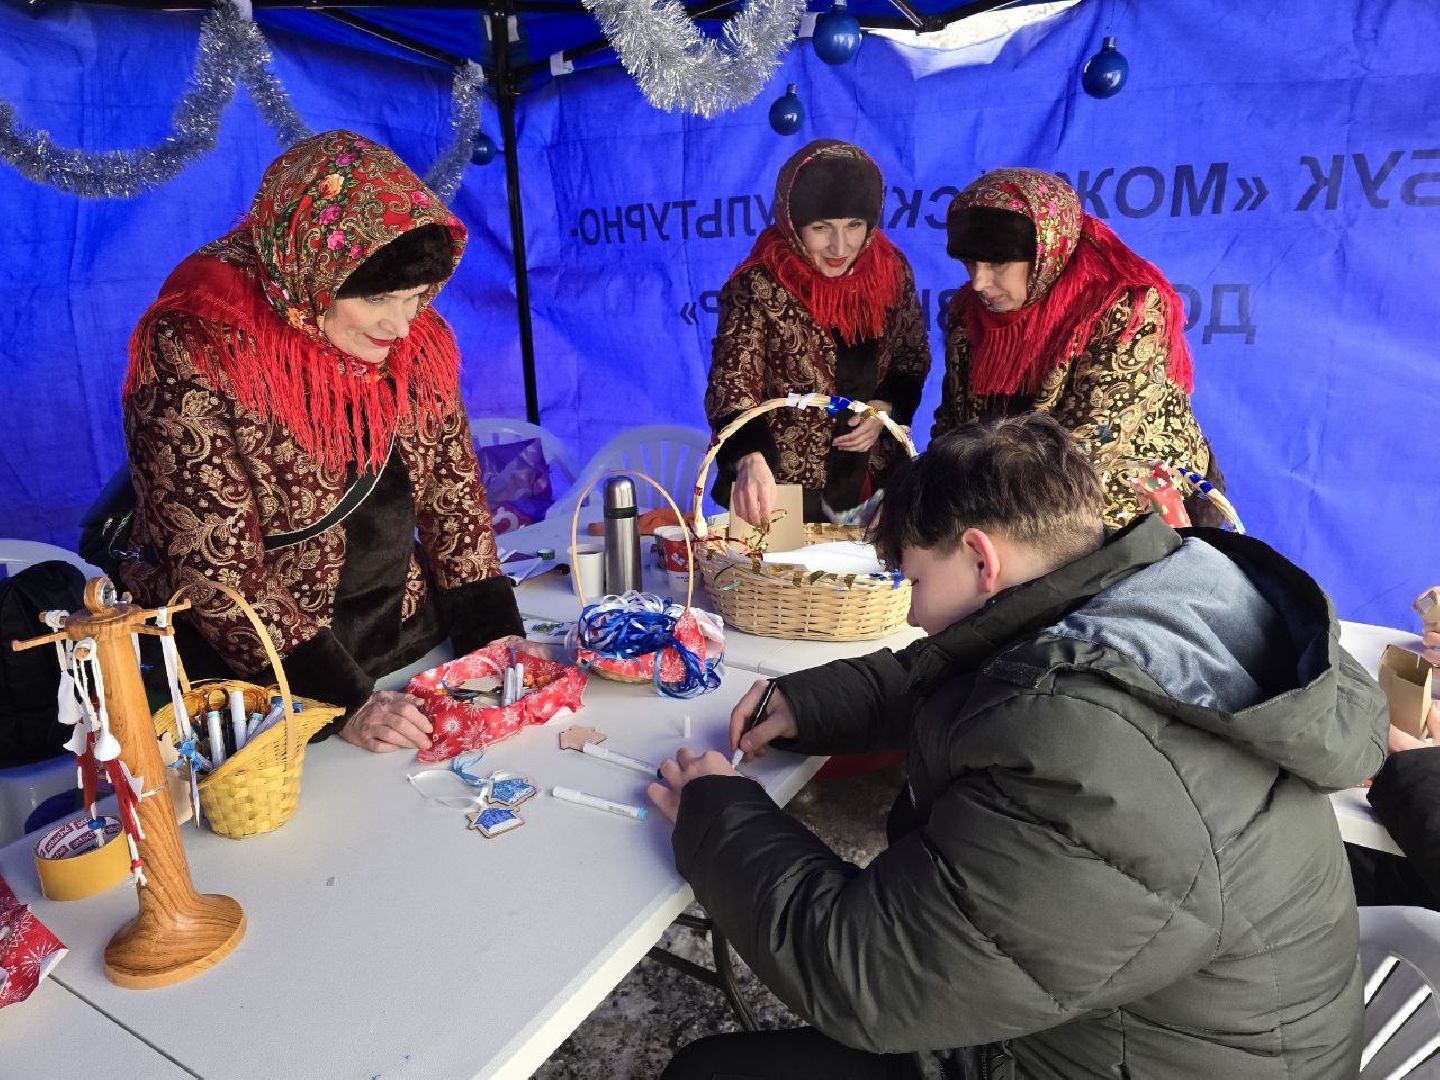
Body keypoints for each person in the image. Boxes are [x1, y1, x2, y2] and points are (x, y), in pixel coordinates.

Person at [648, 413, 1386, 1079]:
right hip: (1140, 1032)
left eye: (914, 580)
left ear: (981, 558)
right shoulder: (1146, 606)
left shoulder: (1084, 753)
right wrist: (809, 704)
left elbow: (870, 975)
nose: (914, 612)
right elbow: (974, 671)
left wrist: (720, 813)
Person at [120, 130, 523, 753]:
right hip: (268, 688)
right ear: (314, 269)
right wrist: (342, 703)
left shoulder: (415, 333)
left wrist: (494, 638)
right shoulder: (199, 344)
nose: (401, 324)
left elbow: (453, 495)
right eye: (379, 298)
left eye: (417, 297)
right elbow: (214, 566)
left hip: (406, 641)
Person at [933, 168, 1225, 528]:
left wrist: (976, 511)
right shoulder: (970, 312)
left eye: (997, 263)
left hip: (1118, 496)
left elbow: (1090, 442)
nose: (979, 282)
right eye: (969, 263)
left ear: (1046, 249)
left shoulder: (1124, 307)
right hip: (1002, 490)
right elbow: (956, 421)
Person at [705, 140, 930, 528]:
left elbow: (912, 355)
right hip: (778, 484)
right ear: (793, 223)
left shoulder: (891, 271)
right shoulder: (759, 283)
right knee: (773, 569)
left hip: (872, 480)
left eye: (854, 225)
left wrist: (886, 409)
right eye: (821, 228)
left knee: (873, 567)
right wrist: (749, 457)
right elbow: (732, 381)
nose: (840, 246)